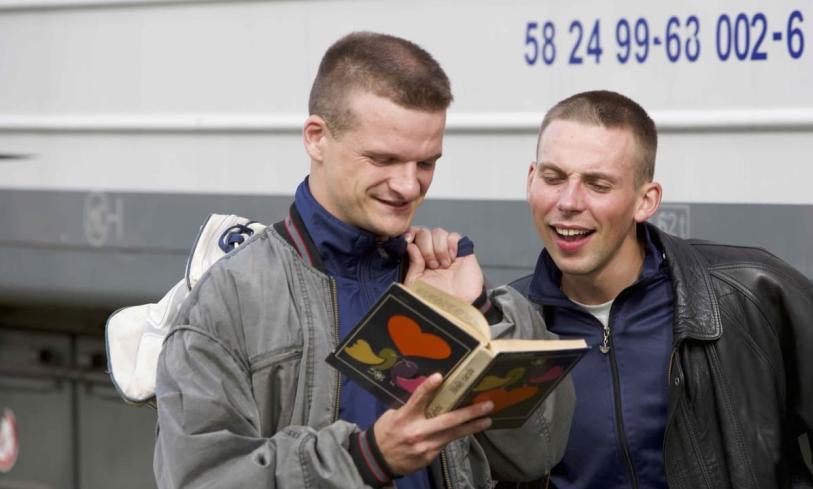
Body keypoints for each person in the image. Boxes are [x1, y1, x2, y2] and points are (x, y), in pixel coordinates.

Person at [153, 32, 574, 489]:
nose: (409, 186)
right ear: (317, 138)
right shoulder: (230, 299)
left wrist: (477, 313)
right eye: (384, 159)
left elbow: (537, 454)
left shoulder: (441, 275)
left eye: (426, 163)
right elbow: (198, 478)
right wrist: (366, 459)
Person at [509, 90, 813, 488]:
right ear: (531, 180)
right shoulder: (508, 328)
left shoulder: (753, 294)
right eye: (553, 178)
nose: (568, 202)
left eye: (598, 184)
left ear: (646, 201)